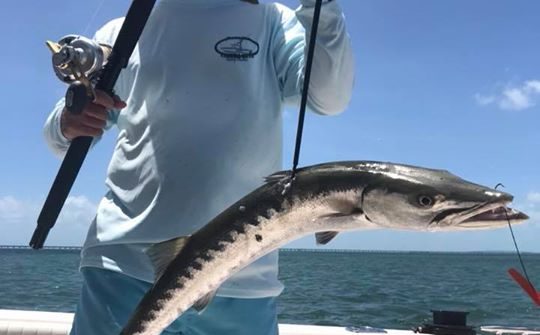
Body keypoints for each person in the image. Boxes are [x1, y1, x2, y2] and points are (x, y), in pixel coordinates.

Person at [43, 0, 355, 334]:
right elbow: (62, 137)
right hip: (122, 265)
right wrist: (68, 122)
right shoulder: (120, 31)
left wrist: (320, 6)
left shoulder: (275, 20)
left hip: (241, 275)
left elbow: (327, 96)